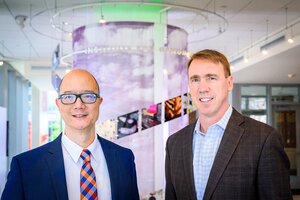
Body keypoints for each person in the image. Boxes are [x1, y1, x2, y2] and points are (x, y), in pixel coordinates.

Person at [165, 49, 292, 200]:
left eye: (211, 78)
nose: (203, 88)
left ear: (229, 83)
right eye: (195, 79)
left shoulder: (264, 139)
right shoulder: (174, 143)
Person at [1, 69, 140, 200]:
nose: (79, 104)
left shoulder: (124, 159)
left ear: (99, 102)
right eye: (68, 96)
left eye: (88, 96)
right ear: (58, 104)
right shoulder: (26, 166)